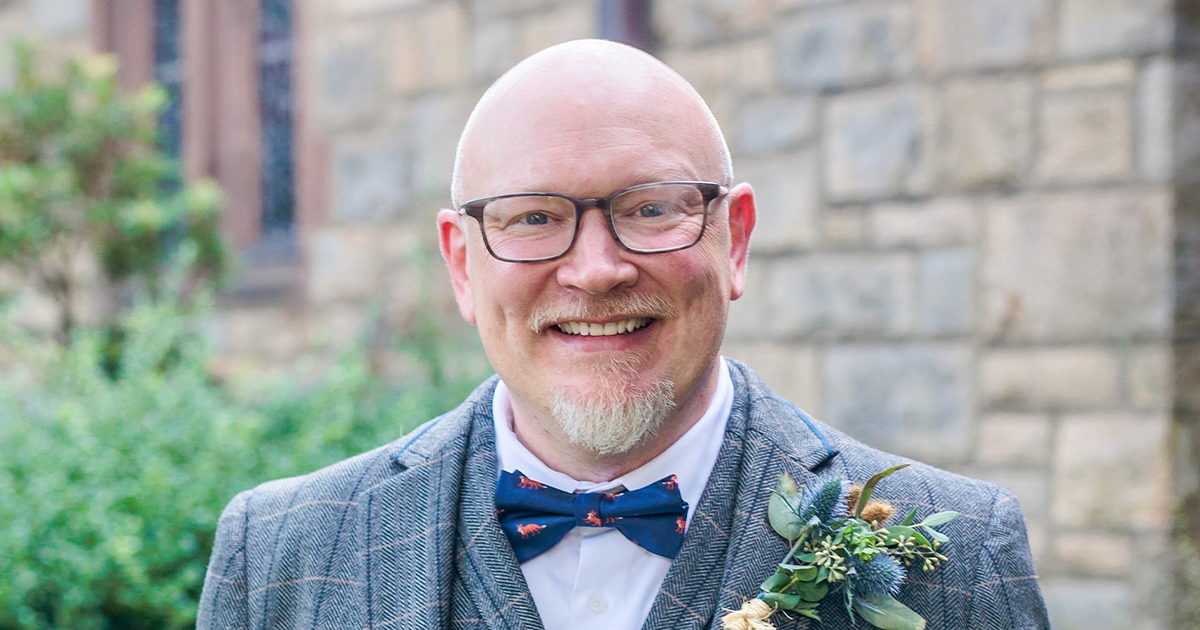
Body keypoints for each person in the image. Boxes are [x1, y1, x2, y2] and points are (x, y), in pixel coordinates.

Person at [198, 40, 1049, 630]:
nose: (597, 270)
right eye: (534, 217)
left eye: (649, 208)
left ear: (734, 240)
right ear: (461, 264)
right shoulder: (277, 557)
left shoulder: (958, 559)